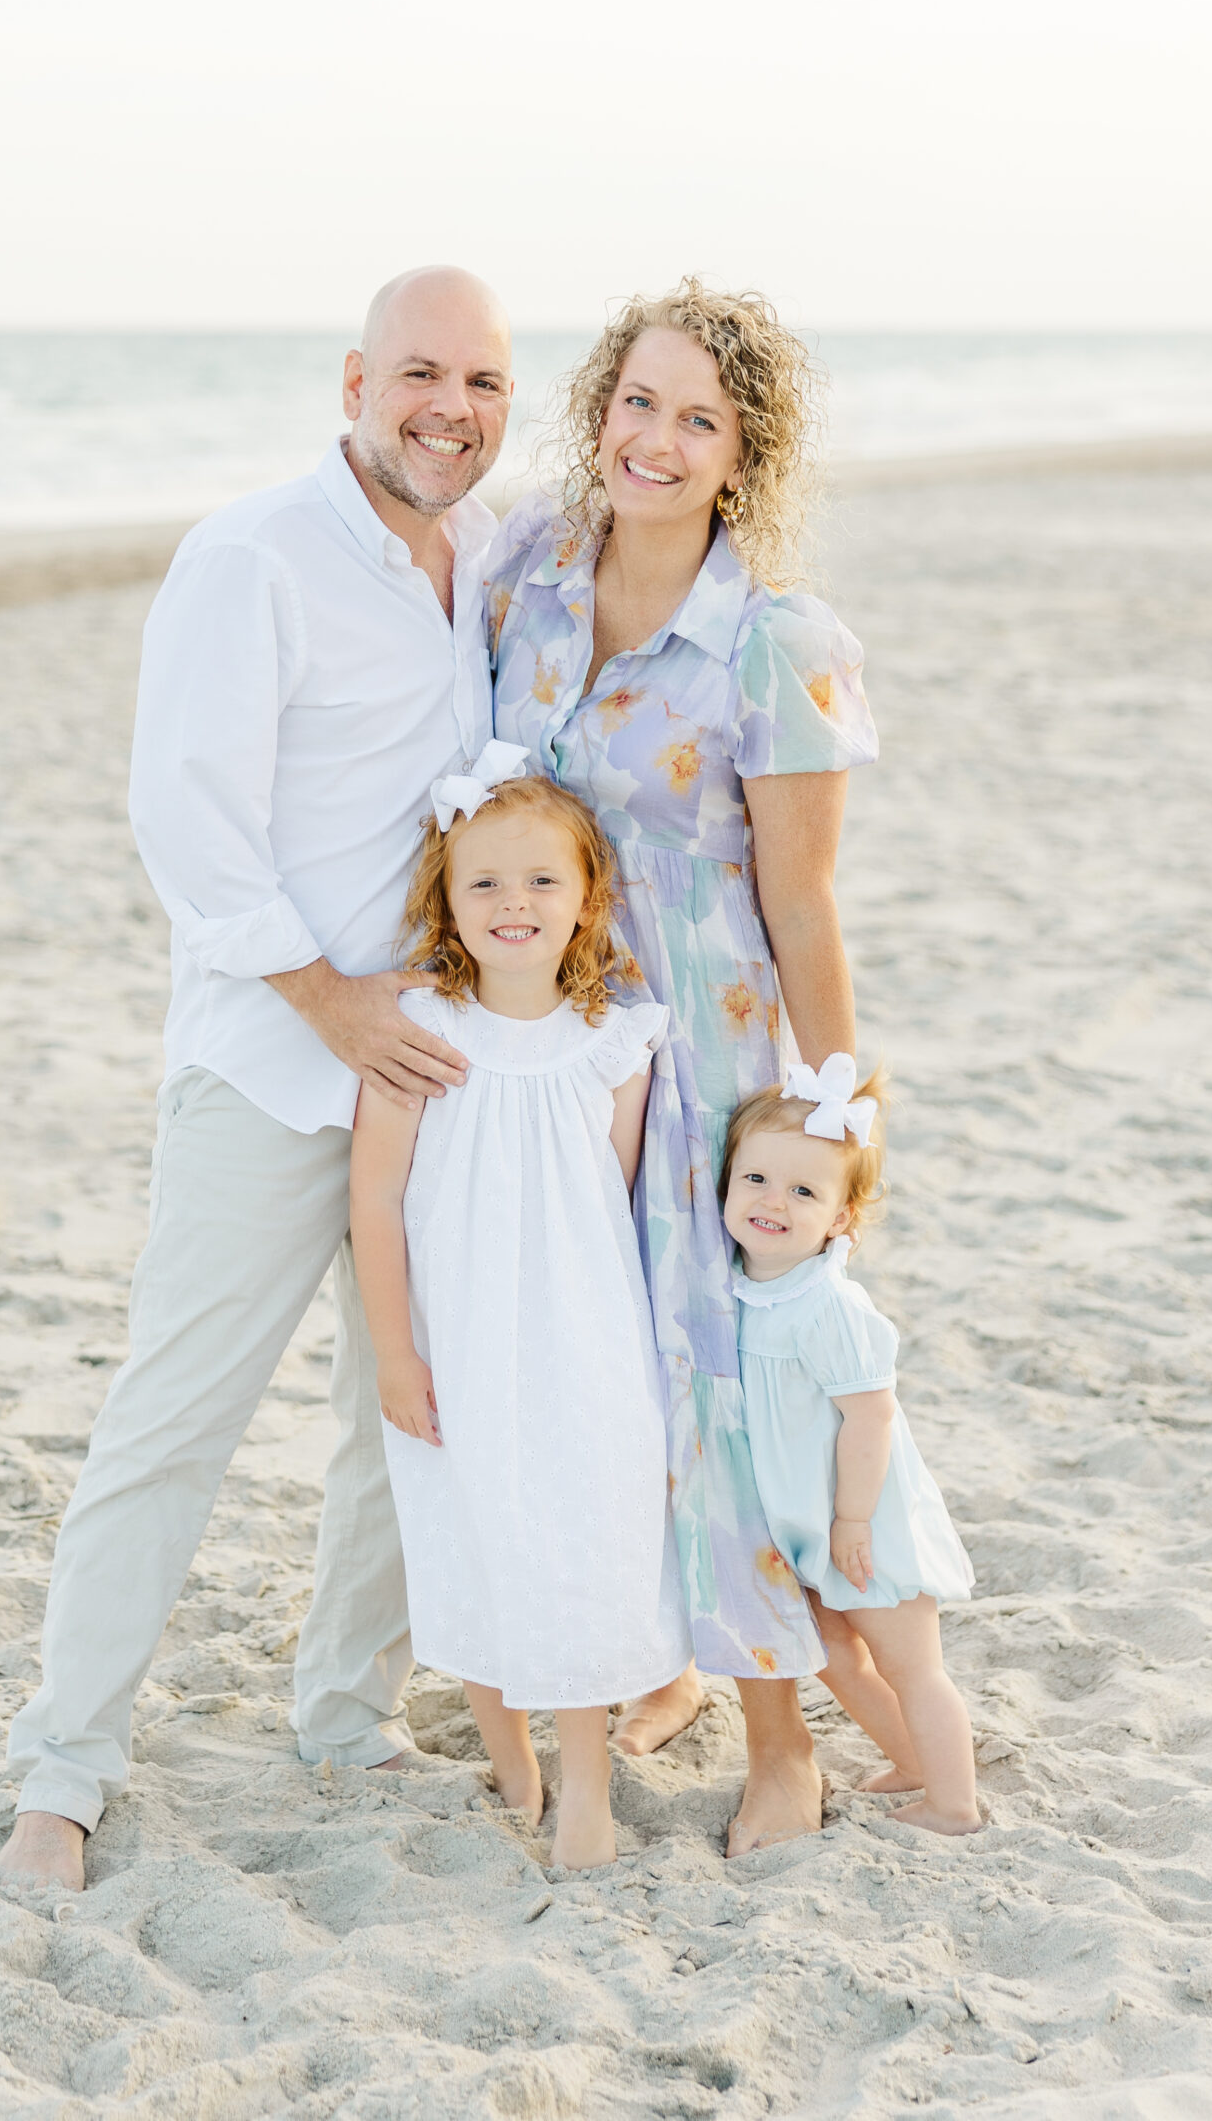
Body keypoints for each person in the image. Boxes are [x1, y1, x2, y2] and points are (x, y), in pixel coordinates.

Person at [0, 266, 514, 1893]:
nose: (450, 408)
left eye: (484, 383)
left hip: (431, 1074)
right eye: (420, 373)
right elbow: (187, 823)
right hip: (269, 1068)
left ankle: (345, 1709)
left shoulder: (492, 548)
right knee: (173, 1420)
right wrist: (328, 1001)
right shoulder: (250, 557)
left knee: (402, 1414)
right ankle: (60, 1772)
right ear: (352, 380)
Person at [486, 277, 879, 1854]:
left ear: (742, 455)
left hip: (707, 1071)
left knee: (720, 1390)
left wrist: (837, 1108)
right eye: (635, 402)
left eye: (696, 418)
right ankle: (649, 1655)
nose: (654, 438)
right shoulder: (529, 575)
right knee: (583, 1380)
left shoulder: (775, 645)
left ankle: (779, 1737)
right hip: (548, 1060)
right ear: (598, 410)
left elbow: (798, 900)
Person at [350, 758, 690, 1867]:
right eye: (484, 884)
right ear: (446, 902)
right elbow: (377, 1201)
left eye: (542, 881)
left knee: (583, 1544)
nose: (514, 905)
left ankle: (586, 1783)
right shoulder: (420, 1030)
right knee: (478, 1534)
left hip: (584, 1340)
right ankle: (513, 1761)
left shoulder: (613, 1043)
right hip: (462, 1338)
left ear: (588, 896)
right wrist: (396, 1353)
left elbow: (623, 1207)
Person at [722, 1062, 979, 1835]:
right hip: (808, 1526)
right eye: (757, 1178)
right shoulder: (735, 1283)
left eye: (803, 1192)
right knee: (833, 1654)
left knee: (911, 1666)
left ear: (841, 1218)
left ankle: (953, 1804)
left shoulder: (827, 1305)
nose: (773, 1201)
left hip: (864, 1523)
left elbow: (872, 1419)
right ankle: (909, 1759)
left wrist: (854, 1521)